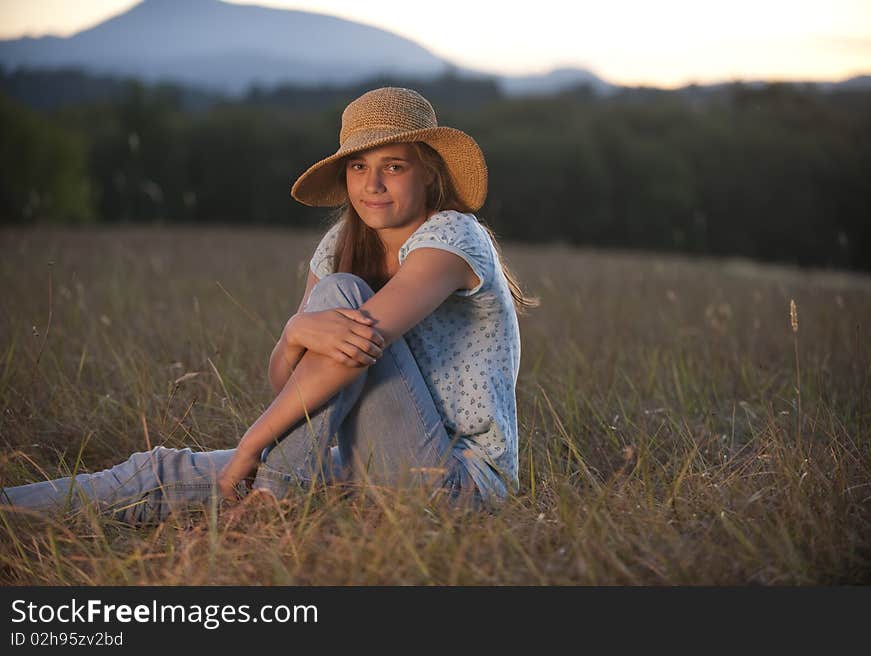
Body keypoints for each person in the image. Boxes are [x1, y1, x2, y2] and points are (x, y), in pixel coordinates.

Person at [0, 87, 536, 523]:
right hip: (360, 462)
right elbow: (293, 382)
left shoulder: (453, 237)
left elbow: (359, 340)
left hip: (457, 486)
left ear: (429, 174)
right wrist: (296, 332)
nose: (371, 183)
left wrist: (252, 446)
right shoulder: (340, 246)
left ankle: (274, 500)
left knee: (341, 300)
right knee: (165, 471)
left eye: (393, 166)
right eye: (357, 167)